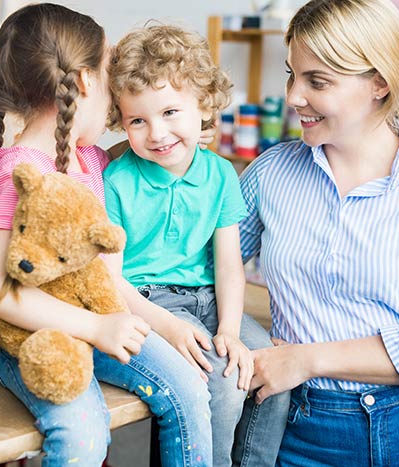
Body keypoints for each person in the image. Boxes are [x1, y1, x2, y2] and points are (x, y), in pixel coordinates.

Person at [242, 1, 399, 466]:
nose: (295, 96)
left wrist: (307, 358)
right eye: (292, 74)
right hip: (305, 432)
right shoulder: (270, 175)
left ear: (380, 83)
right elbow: (197, 269)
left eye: (318, 81)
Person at [0, 4, 214, 466]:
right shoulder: (20, 171)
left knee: (188, 385)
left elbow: (107, 276)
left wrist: (180, 134)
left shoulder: (92, 161)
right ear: (85, 80)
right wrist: (98, 328)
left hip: (99, 320)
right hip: (32, 335)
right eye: (110, 73)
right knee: (83, 434)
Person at [104, 24, 290, 467]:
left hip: (208, 300)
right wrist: (165, 325)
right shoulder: (115, 181)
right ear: (122, 122)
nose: (157, 133)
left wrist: (228, 328)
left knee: (271, 368)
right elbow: (110, 281)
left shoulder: (221, 175)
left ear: (203, 106)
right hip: (148, 303)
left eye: (170, 112)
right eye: (138, 120)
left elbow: (228, 267)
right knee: (224, 382)